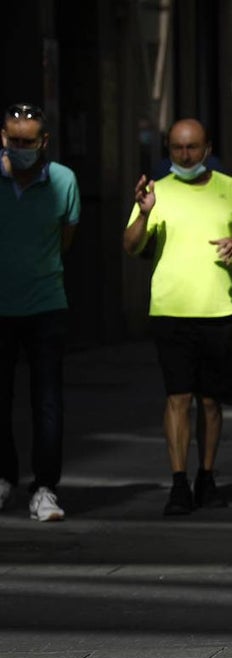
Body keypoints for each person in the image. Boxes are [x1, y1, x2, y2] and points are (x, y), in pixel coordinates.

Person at [123, 118, 232, 516]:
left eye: (191, 148)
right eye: (176, 149)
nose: (184, 156)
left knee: (210, 402)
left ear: (207, 148)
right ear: (168, 150)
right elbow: (131, 246)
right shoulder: (155, 192)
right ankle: (178, 483)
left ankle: (206, 476)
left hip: (221, 309)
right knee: (177, 398)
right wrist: (141, 211)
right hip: (170, 309)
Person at [0, 102, 79, 522]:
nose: (21, 148)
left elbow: (66, 237)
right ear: (3, 138)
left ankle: (45, 487)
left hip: (47, 304)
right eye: (14, 141)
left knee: (47, 401)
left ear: (44, 142)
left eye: (29, 142)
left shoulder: (63, 180)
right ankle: (4, 476)